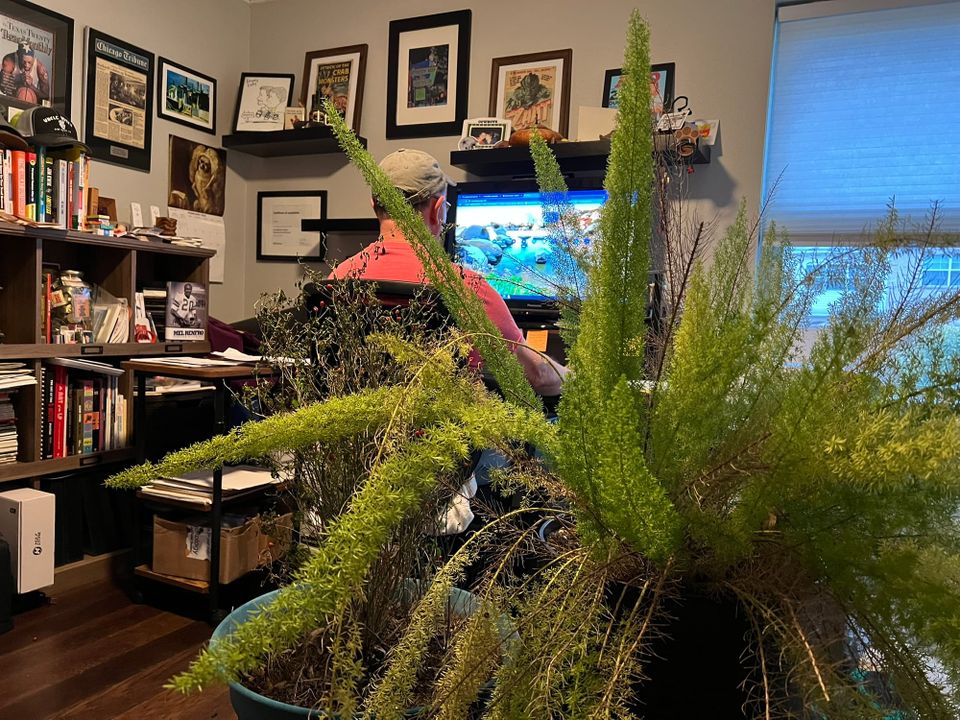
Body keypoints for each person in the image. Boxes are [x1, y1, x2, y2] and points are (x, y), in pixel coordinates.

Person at [331, 148, 568, 396]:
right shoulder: (465, 287)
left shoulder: (338, 279)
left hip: (364, 431)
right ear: (438, 209)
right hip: (444, 431)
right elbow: (539, 376)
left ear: (374, 205)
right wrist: (578, 377)